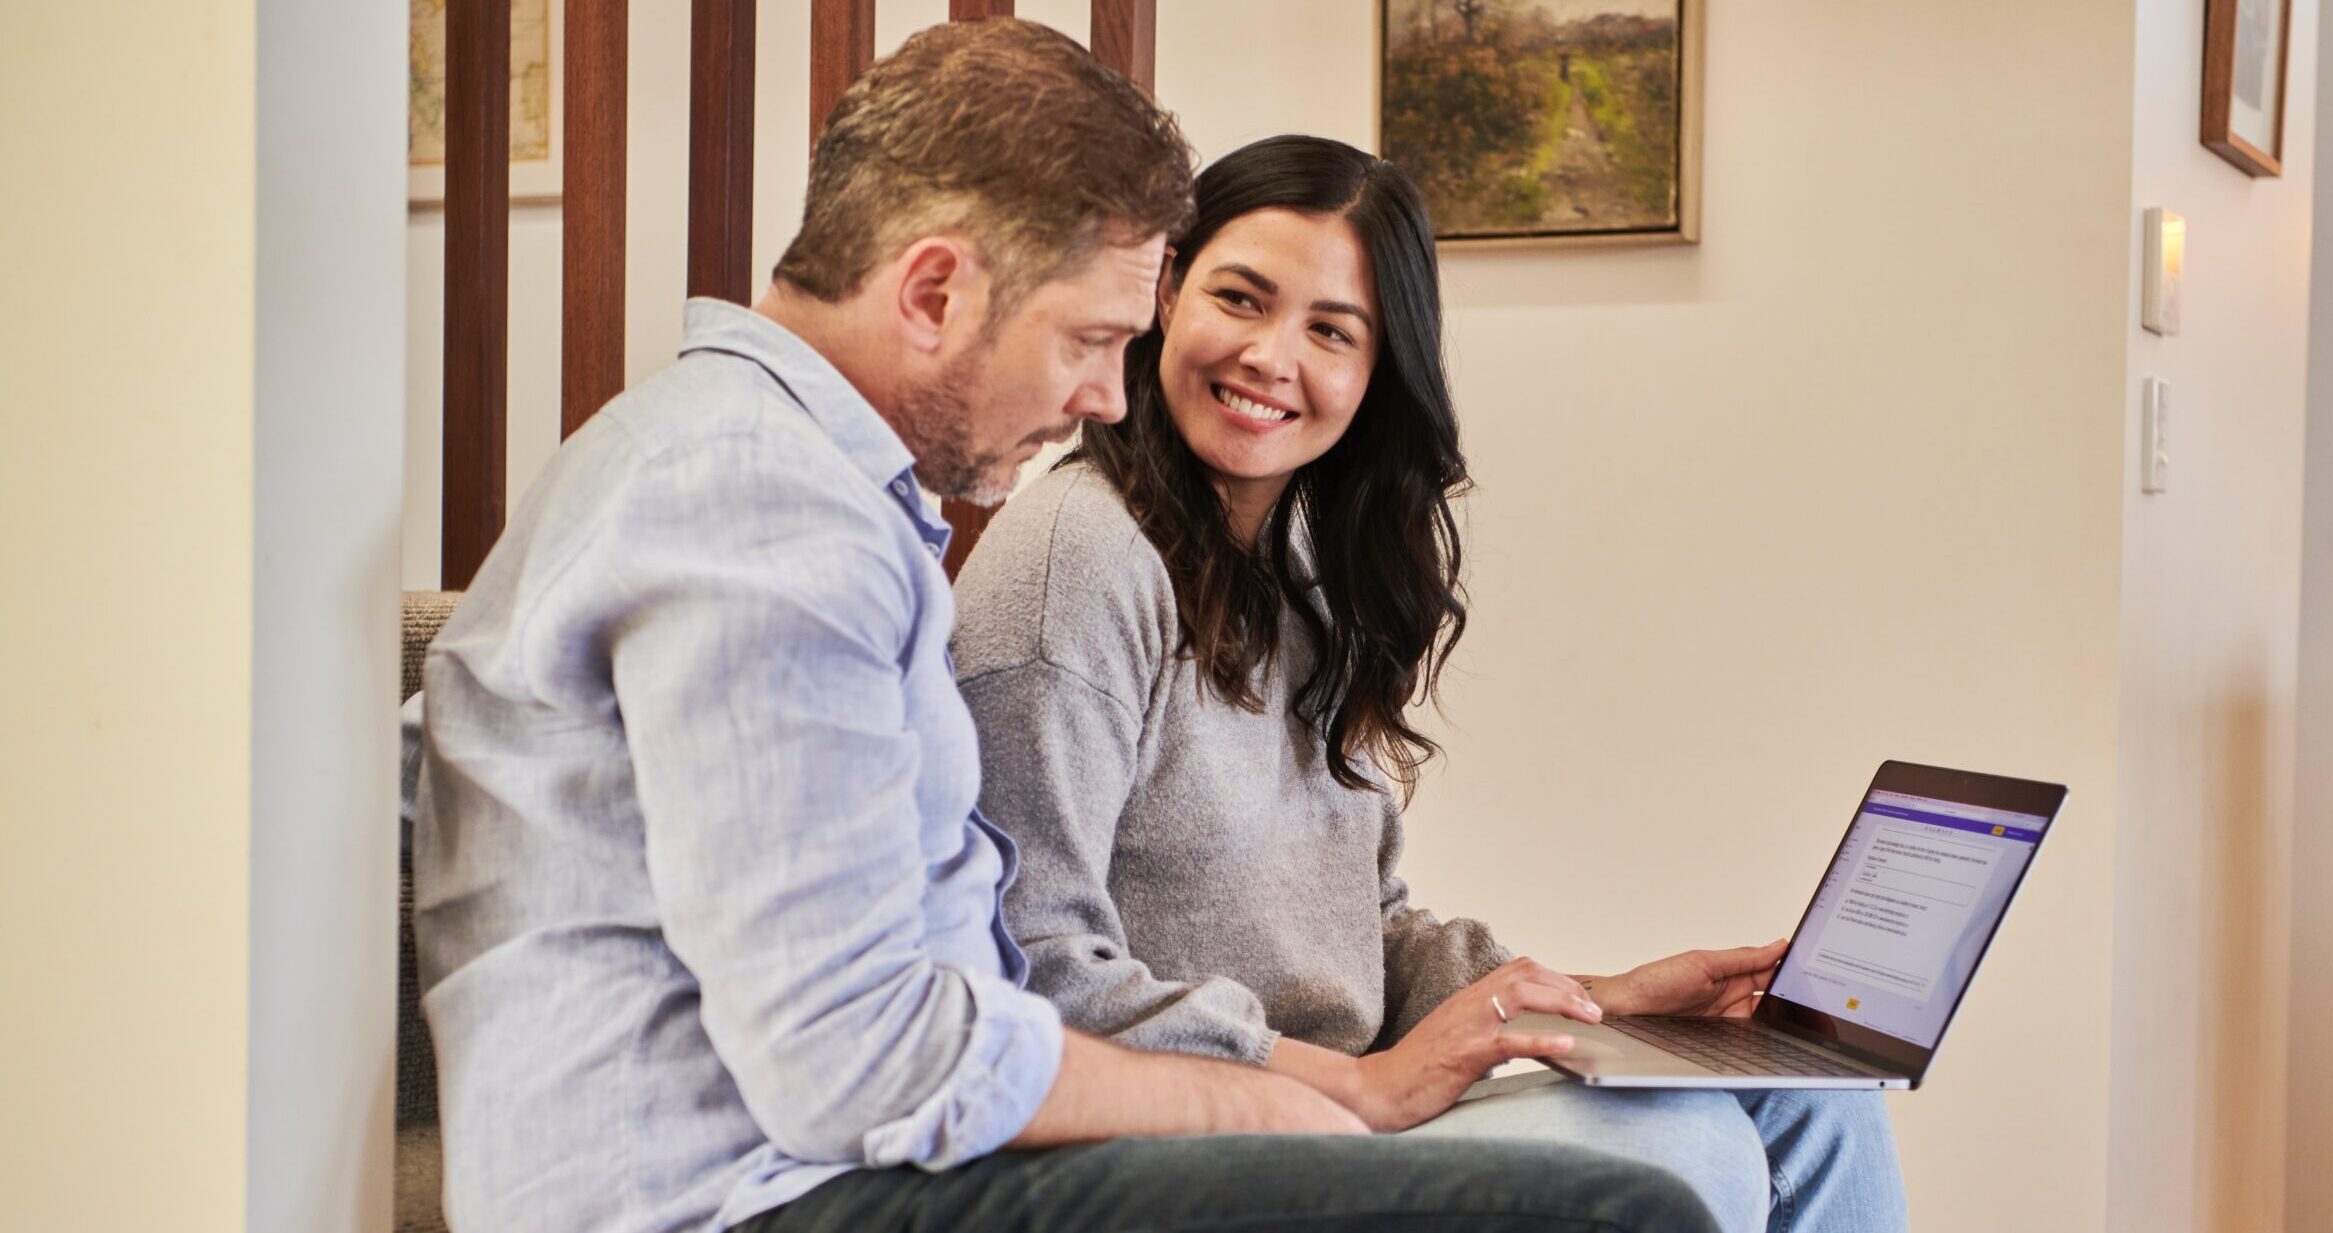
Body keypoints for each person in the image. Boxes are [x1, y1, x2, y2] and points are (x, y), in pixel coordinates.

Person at [413, 22, 1710, 1233]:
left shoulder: (800, 494)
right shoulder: (761, 512)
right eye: (1092, 339)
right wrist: (1281, 1101)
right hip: (755, 1198)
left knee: (1703, 1135)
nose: (1107, 393)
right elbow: (857, 1053)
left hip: (852, 1162)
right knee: (1622, 1212)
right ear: (934, 291)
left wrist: (1552, 1009)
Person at [950, 134, 1909, 1233]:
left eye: (1330, 331)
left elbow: (1358, 931)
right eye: (1240, 298)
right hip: (1194, 1135)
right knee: (1687, 1151)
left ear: (1377, 372)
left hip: (1340, 1099)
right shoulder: (1076, 560)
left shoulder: (1298, 567)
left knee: (1816, 1099)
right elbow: (1030, 966)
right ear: (1167, 295)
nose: (1270, 357)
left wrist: (1591, 1000)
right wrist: (1355, 1083)